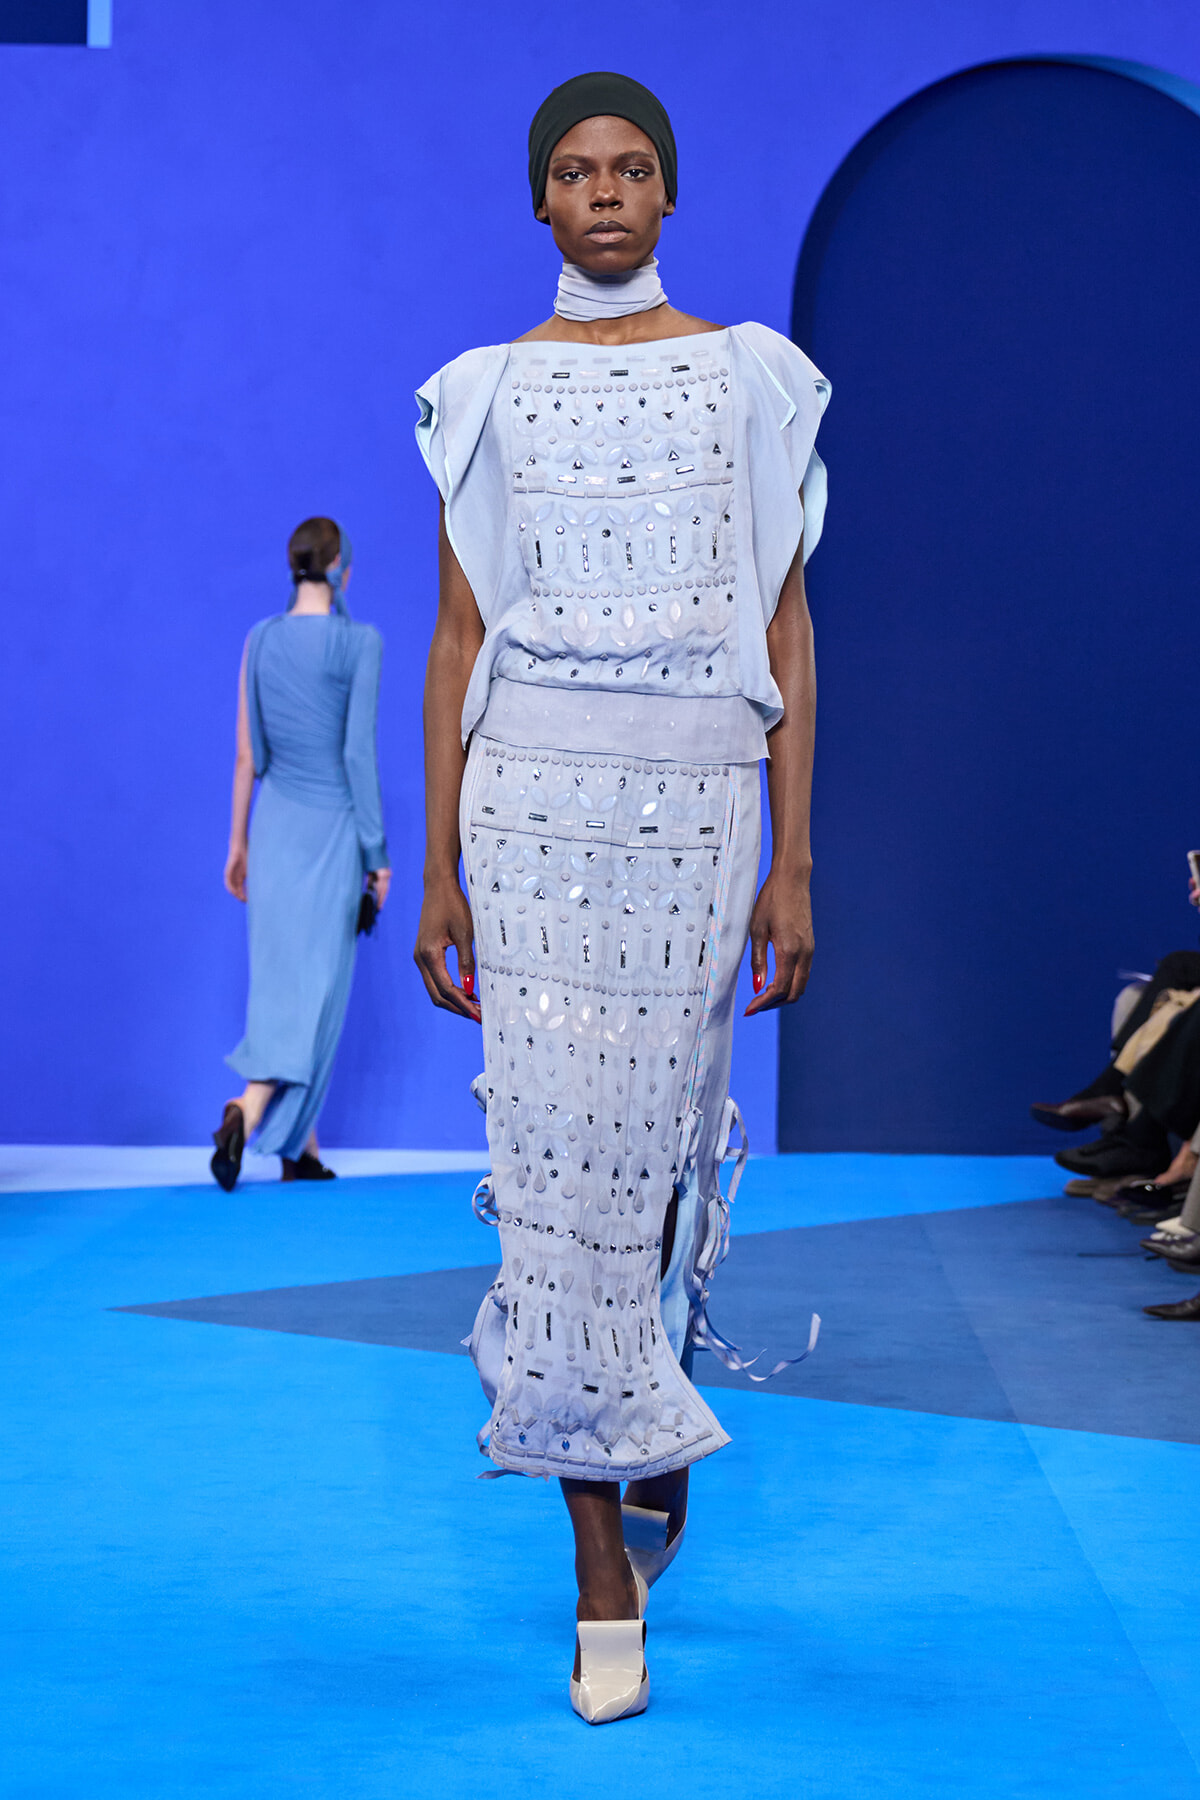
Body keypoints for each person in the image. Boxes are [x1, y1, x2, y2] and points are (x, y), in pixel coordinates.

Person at [413, 72, 827, 1723]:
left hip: (699, 797)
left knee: (649, 1160)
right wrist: (436, 858)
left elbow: (786, 630)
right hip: (527, 799)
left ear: (669, 194)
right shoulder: (485, 391)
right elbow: (461, 635)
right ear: (539, 201)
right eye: (576, 171)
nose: (604, 193)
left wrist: (796, 856)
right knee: (555, 1162)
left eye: (633, 167)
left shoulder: (752, 380)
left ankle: (635, 1392)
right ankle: (599, 1570)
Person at [211, 517, 390, 1190]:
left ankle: (300, 1151)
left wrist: (238, 844)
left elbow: (246, 757)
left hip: (275, 828)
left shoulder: (260, 640)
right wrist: (377, 852)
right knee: (318, 997)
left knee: (287, 990)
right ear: (340, 564)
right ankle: (246, 1110)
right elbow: (356, 754)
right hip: (333, 831)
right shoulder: (360, 643)